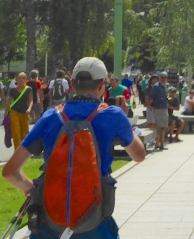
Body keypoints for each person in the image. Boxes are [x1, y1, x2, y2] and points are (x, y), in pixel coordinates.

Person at [2, 57, 145, 239]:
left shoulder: (51, 116)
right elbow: (139, 155)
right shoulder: (114, 115)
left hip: (50, 224)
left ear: (72, 84)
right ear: (102, 85)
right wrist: (125, 122)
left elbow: (9, 171)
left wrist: (32, 189)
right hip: (95, 222)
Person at [5, 72, 33, 149]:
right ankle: (17, 150)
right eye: (19, 78)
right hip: (14, 112)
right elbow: (9, 101)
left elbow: (31, 101)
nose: (21, 80)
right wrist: (6, 111)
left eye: (23, 78)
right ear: (17, 79)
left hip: (25, 113)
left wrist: (29, 108)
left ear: (26, 79)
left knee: (24, 133)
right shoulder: (13, 90)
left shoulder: (29, 89)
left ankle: (23, 150)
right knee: (16, 132)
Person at [148, 71, 169, 150]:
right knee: (159, 127)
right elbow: (151, 98)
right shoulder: (156, 87)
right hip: (158, 108)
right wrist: (152, 108)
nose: (164, 79)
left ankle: (160, 143)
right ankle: (159, 143)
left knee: (163, 127)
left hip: (164, 108)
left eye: (165, 77)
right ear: (159, 78)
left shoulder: (164, 86)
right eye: (162, 77)